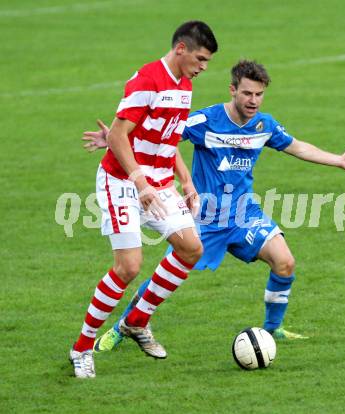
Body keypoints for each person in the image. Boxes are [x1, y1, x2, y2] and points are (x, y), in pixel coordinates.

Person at [83, 60, 345, 356]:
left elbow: (298, 147)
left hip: (244, 216)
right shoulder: (205, 121)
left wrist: (338, 160)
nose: (253, 101)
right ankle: (124, 326)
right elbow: (161, 136)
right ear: (233, 90)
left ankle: (272, 330)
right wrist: (116, 139)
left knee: (285, 262)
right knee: (166, 274)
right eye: (247, 93)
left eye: (259, 94)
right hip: (204, 220)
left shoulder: (264, 126)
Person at [70, 20, 218, 378]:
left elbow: (168, 140)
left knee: (191, 248)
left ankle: (135, 322)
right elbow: (121, 134)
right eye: (200, 58)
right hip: (122, 180)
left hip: (159, 181)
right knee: (129, 267)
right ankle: (82, 348)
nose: (203, 67)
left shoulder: (184, 85)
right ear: (180, 49)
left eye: (207, 62)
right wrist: (139, 180)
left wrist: (186, 181)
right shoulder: (147, 79)